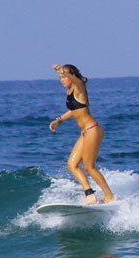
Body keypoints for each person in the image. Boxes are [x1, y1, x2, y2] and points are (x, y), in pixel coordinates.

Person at [49, 64, 115, 204]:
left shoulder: (79, 88)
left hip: (92, 129)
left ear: (72, 76)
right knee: (72, 165)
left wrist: (62, 70)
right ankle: (90, 194)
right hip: (85, 132)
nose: (62, 79)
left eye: (64, 76)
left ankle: (109, 196)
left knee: (89, 166)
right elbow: (74, 111)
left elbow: (78, 81)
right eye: (60, 77)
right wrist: (58, 120)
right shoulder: (70, 92)